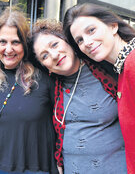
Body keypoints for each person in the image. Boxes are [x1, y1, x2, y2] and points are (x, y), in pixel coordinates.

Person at [0, 8, 58, 174]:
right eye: (3, 42)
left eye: (15, 42)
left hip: (33, 168)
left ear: (25, 44)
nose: (8, 49)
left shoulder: (44, 80)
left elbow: (60, 127)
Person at [29, 18, 127, 174]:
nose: (54, 55)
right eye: (44, 56)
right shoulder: (48, 88)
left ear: (69, 42)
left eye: (55, 45)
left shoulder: (107, 69)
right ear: (44, 66)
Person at [63, 3, 135, 173]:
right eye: (79, 40)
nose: (87, 42)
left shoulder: (132, 63)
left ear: (113, 26)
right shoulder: (122, 70)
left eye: (91, 30)